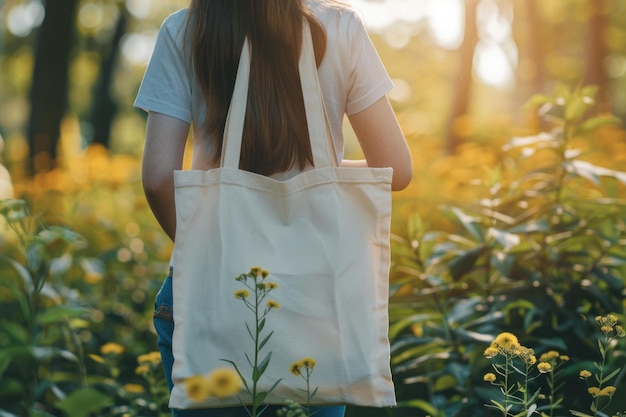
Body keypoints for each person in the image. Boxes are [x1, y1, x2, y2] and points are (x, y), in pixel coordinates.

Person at [135, 0, 412, 416]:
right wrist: (325, 170)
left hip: (208, 289)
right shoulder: (339, 27)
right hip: (315, 292)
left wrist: (215, 254)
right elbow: (397, 168)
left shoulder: (184, 30)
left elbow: (158, 178)